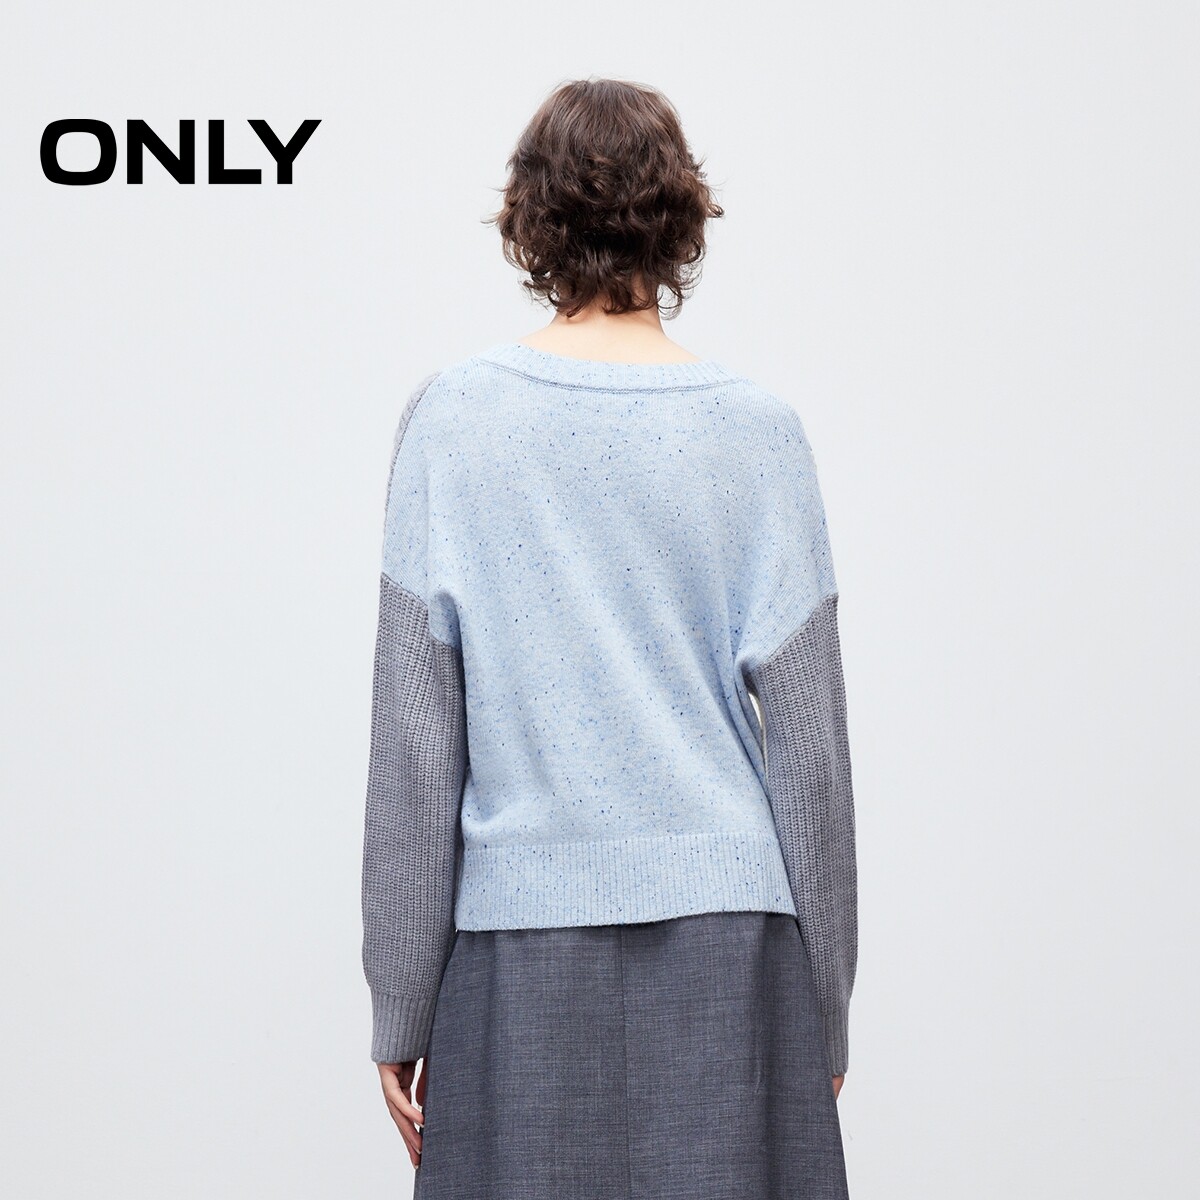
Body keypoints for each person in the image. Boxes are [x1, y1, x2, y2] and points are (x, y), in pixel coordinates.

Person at [361, 76, 859, 1199]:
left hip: (520, 948)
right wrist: (824, 999)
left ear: (529, 220)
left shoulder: (452, 420)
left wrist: (400, 997)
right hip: (733, 947)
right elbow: (813, 757)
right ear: (681, 219)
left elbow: (415, 744)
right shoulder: (758, 432)